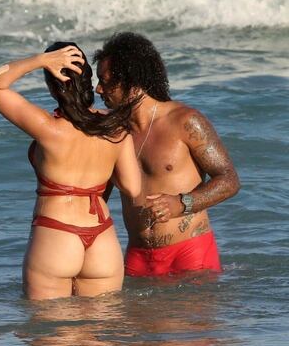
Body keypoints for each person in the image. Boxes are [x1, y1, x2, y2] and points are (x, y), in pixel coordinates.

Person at [0, 42, 141, 300]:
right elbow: (133, 188)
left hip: (56, 236)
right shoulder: (116, 129)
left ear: (53, 84)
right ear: (89, 81)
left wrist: (40, 60)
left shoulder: (48, 128)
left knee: (52, 334)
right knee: (102, 339)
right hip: (103, 240)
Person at [93, 32, 241, 277]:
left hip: (190, 253)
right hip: (137, 257)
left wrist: (182, 203)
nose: (98, 89)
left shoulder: (185, 121)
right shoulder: (113, 131)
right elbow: (99, 196)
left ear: (133, 81)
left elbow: (229, 179)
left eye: (105, 81)